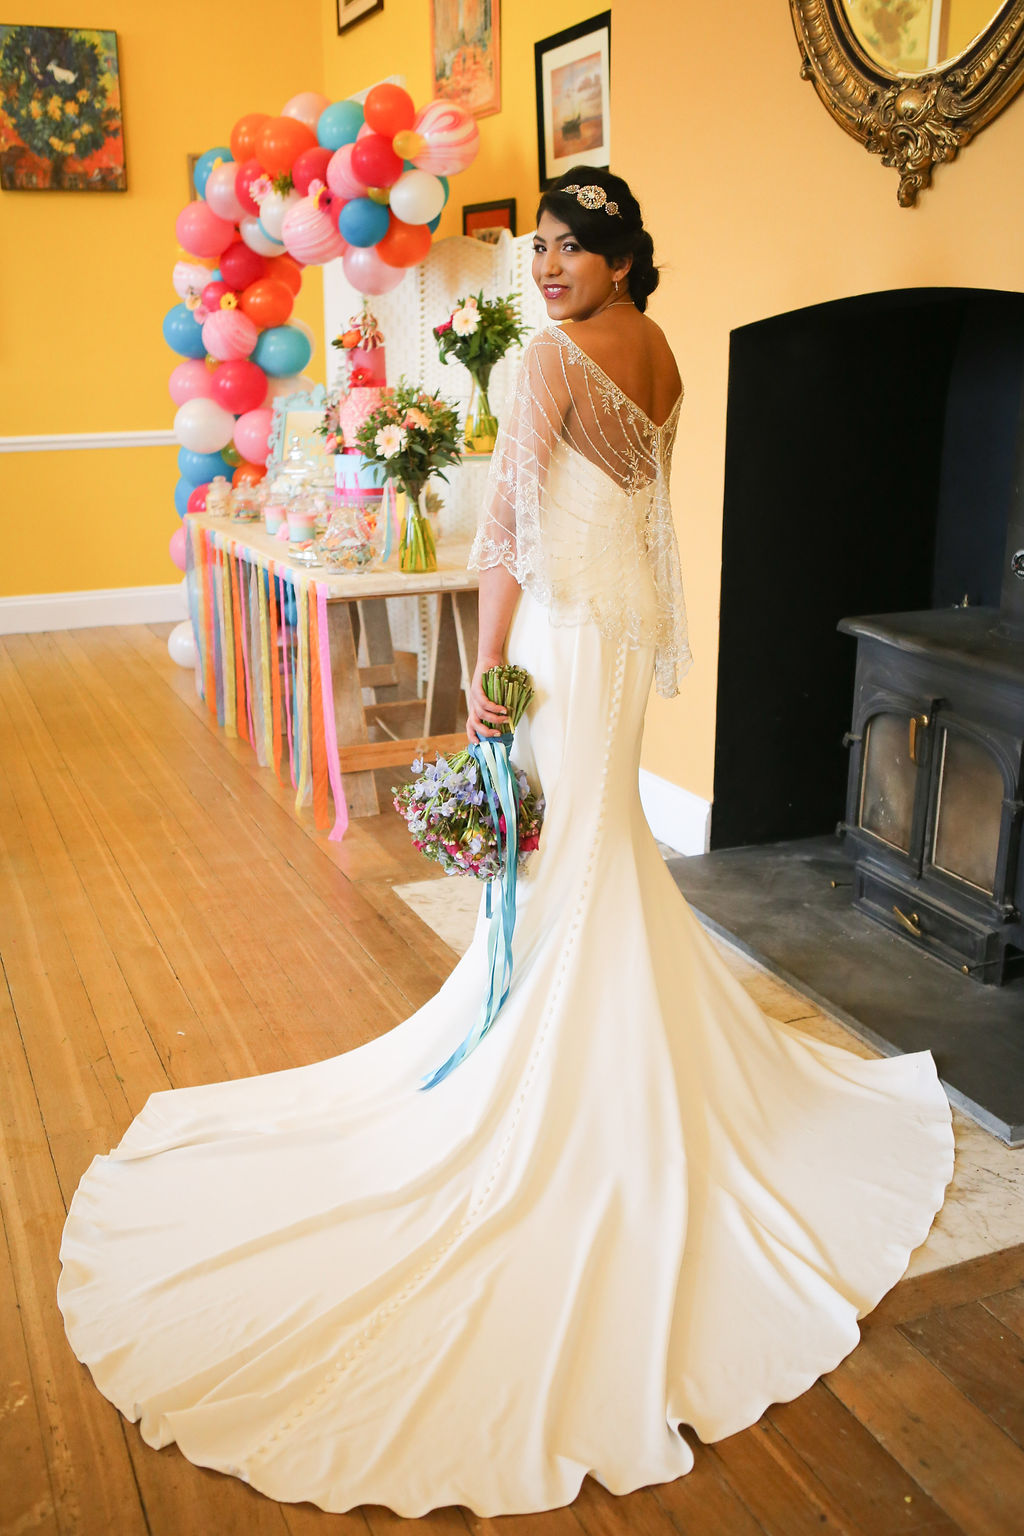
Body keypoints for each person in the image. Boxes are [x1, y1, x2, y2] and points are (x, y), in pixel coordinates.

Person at [58, 168, 954, 1519]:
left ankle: (560, 1069)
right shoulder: (660, 354)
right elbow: (640, 519)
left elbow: (506, 533)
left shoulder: (546, 361)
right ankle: (592, 1029)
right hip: (614, 640)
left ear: (619, 257)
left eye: (568, 247)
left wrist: (481, 670)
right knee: (594, 853)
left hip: (552, 638)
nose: (542, 267)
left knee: (569, 863)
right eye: (535, 248)